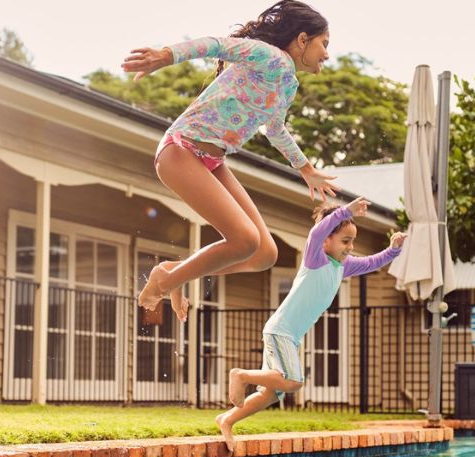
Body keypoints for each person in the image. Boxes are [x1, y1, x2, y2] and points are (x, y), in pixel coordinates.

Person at [121, 1, 341, 321]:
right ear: (303, 40)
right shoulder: (267, 55)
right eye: (325, 43)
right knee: (245, 240)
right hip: (181, 150)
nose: (327, 53)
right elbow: (217, 45)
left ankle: (175, 271)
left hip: (213, 159)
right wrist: (166, 55)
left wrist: (306, 170)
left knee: (265, 253)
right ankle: (164, 281)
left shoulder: (288, 82)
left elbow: (274, 129)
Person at [217, 198, 407, 449]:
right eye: (345, 241)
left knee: (271, 394)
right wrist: (346, 211)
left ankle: (227, 420)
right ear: (327, 240)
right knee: (294, 381)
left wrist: (393, 250)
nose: (350, 247)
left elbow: (372, 262)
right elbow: (316, 231)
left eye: (352, 241)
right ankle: (241, 375)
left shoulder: (342, 267)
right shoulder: (315, 257)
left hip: (288, 335)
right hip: (281, 330)